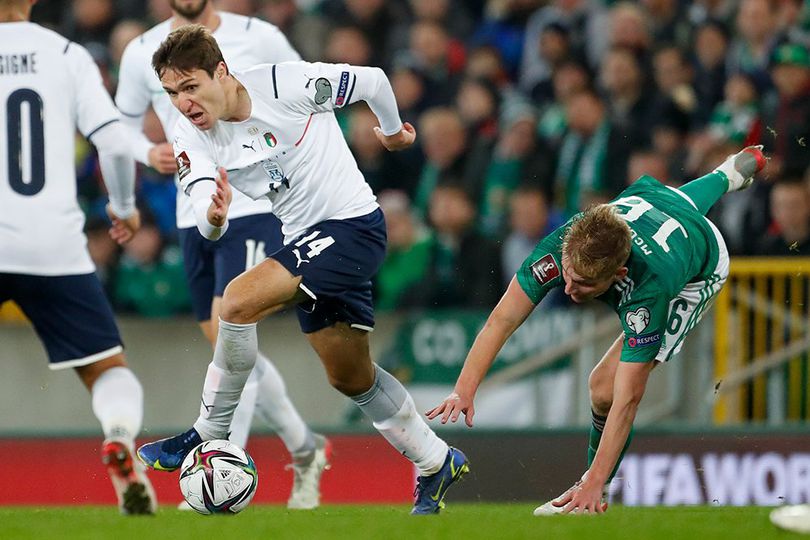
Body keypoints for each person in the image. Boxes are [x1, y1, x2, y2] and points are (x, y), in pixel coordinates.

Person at [136, 25, 469, 515]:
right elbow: (205, 206)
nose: (183, 103)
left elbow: (374, 80)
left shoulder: (284, 85)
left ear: (221, 72)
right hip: (305, 243)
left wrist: (394, 132)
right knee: (351, 377)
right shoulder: (188, 133)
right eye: (171, 93)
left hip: (354, 227)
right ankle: (436, 460)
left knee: (236, 301)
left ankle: (207, 433)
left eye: (191, 87)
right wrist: (214, 215)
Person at [427, 145, 768, 514]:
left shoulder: (648, 291)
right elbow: (501, 320)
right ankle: (727, 173)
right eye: (569, 278)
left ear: (619, 275)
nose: (571, 291)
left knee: (604, 388)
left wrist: (595, 480)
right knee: (676, 200)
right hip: (652, 203)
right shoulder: (561, 247)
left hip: (698, 268)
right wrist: (464, 388)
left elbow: (628, 400)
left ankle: (594, 488)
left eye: (586, 286)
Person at [115, 0, 328, 509]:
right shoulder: (141, 50)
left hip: (256, 204)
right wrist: (148, 153)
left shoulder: (259, 35)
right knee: (232, 352)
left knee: (233, 333)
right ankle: (305, 447)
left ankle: (217, 473)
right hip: (197, 210)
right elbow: (117, 124)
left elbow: (307, 95)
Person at [0, 0, 155, 515]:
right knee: (106, 367)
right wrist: (126, 207)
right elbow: (112, 143)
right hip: (52, 242)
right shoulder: (65, 52)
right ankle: (117, 436)